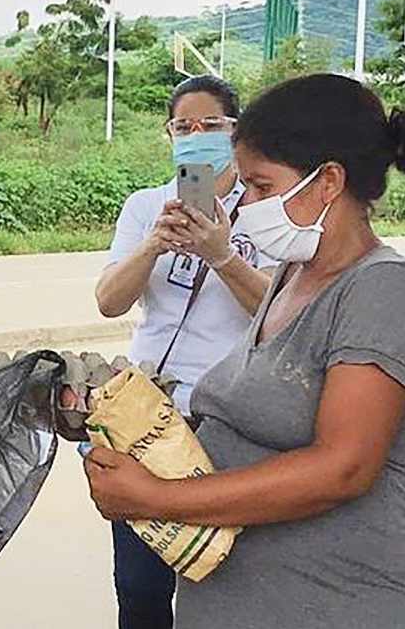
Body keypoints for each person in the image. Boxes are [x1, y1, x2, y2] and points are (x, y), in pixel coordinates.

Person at [84, 73, 405, 629]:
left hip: (332, 604)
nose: (247, 203)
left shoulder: (384, 291)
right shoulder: (292, 274)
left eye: (259, 186)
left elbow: (341, 468)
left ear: (328, 180)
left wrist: (156, 497)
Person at [93, 75, 275, 629]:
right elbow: (108, 301)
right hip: (149, 420)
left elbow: (283, 314)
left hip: (230, 421)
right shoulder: (146, 205)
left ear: (236, 133)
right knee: (141, 588)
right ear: (169, 135)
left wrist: (222, 256)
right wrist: (153, 243)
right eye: (183, 127)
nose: (196, 136)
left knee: (224, 587)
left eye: (211, 126)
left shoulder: (267, 211)